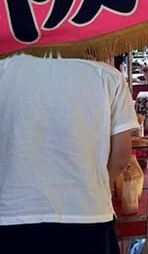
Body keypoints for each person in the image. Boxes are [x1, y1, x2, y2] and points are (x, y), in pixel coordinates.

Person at [0, 54, 138, 253]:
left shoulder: (4, 70)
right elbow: (122, 155)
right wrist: (98, 184)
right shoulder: (107, 76)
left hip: (12, 216)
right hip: (88, 211)